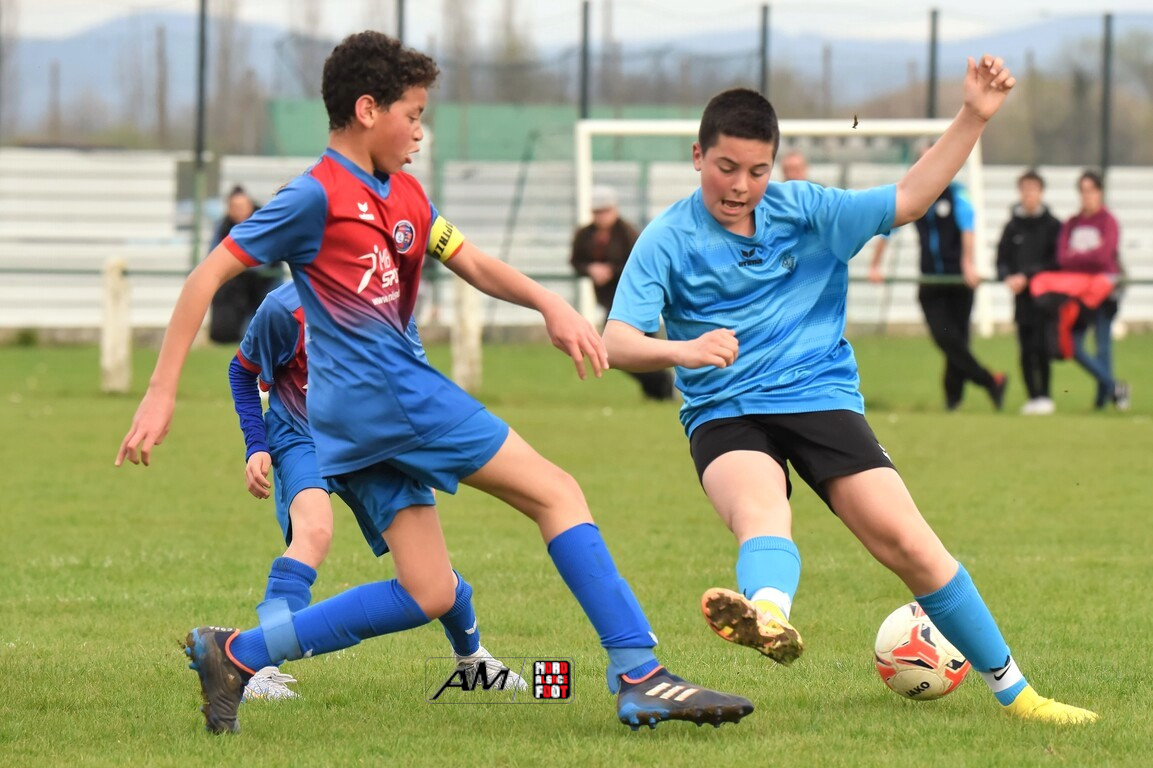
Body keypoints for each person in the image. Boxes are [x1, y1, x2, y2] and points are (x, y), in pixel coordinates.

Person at [116, 31, 752, 735]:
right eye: (412, 114)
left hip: (351, 420)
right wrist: (161, 390)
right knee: (557, 492)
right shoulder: (315, 195)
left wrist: (548, 302)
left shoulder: (406, 195)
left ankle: (237, 653)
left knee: (426, 589)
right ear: (367, 110)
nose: (420, 131)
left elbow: (471, 261)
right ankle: (639, 672)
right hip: (390, 395)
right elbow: (208, 275)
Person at [603, 56, 1097, 725]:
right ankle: (768, 615)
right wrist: (681, 350)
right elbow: (617, 341)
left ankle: (1021, 696)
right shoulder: (667, 238)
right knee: (760, 511)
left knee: (910, 544)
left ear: (773, 166)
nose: (740, 186)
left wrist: (973, 116)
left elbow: (909, 199)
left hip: (818, 397)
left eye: (756, 171)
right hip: (725, 410)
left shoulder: (807, 211)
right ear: (697, 156)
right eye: (725, 167)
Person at [229, 282, 526, 701]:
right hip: (301, 436)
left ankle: (471, 658)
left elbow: (413, 384)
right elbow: (241, 371)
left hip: (371, 441)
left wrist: (420, 454)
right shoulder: (283, 309)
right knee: (314, 532)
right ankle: (258, 667)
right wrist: (256, 445)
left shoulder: (389, 301)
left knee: (428, 566)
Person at [869, 152, 1007, 411]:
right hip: (930, 281)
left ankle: (953, 401)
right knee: (946, 339)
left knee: (958, 342)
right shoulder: (911, 198)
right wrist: (875, 265)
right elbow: (888, 229)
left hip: (957, 281)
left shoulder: (958, 194)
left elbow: (968, 228)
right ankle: (991, 381)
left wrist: (968, 263)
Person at [570, 186, 673, 401]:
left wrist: (611, 270)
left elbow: (639, 263)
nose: (601, 217)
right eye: (597, 212)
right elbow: (576, 261)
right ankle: (658, 387)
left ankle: (661, 387)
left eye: (605, 211)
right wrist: (591, 269)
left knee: (633, 349)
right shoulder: (584, 235)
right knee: (623, 351)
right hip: (610, 301)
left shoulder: (628, 233)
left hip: (637, 299)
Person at [1056, 170, 1130, 411]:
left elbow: (1104, 257)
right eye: (1083, 190)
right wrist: (1087, 258)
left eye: (1091, 190)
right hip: (1079, 293)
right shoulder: (1072, 223)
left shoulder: (1108, 222)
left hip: (1104, 292)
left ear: (1100, 192)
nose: (1087, 195)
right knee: (1073, 345)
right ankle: (1115, 386)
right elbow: (1062, 258)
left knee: (1102, 346)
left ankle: (1101, 401)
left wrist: (1078, 257)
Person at [995, 169, 1061, 415]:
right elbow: (1001, 260)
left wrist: (1029, 275)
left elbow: (1056, 261)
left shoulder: (1053, 226)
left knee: (1043, 347)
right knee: (1025, 349)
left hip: (1046, 299)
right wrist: (1008, 276)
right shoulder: (1012, 227)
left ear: (1041, 192)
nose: (1029, 194)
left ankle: (1045, 396)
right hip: (1021, 299)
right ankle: (1032, 397)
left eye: (1033, 189)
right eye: (1025, 189)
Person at [208, 186, 283, 344]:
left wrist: (237, 264)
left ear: (250, 205)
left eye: (241, 206)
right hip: (240, 286)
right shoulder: (223, 227)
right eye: (234, 207)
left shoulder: (265, 221)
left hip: (267, 283)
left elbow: (268, 256)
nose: (238, 211)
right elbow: (213, 255)